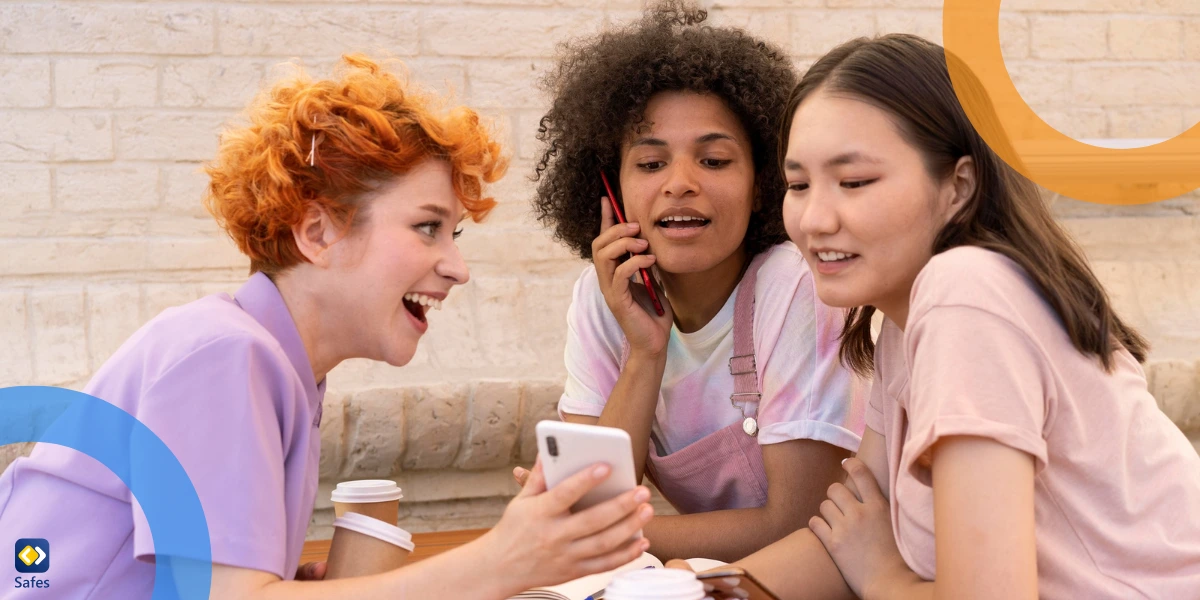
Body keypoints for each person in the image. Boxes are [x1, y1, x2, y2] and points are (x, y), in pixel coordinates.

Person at [0, 54, 653, 600]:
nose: (457, 268)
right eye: (428, 227)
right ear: (318, 233)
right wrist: (498, 562)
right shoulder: (223, 354)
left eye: (452, 234)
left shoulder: (279, 368)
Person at [717, 34, 1200, 599]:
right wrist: (695, 587)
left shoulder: (967, 293)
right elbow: (845, 533)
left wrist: (883, 578)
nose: (814, 219)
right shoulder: (904, 320)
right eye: (798, 185)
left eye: (854, 182)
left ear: (959, 186)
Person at [516, 2, 864, 563]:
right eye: (651, 165)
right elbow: (590, 492)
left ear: (763, 183)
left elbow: (800, 523)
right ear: (611, 189)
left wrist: (586, 532)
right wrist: (645, 353)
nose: (680, 184)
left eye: (715, 161)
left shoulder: (800, 287)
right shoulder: (602, 296)